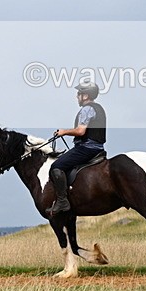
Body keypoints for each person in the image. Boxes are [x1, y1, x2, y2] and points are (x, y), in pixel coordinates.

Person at [46, 81, 107, 216]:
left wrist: (63, 132)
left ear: (85, 96)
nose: (77, 96)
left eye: (79, 93)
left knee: (56, 166)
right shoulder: (99, 108)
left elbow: (80, 131)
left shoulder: (86, 109)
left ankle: (62, 201)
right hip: (97, 147)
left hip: (87, 148)